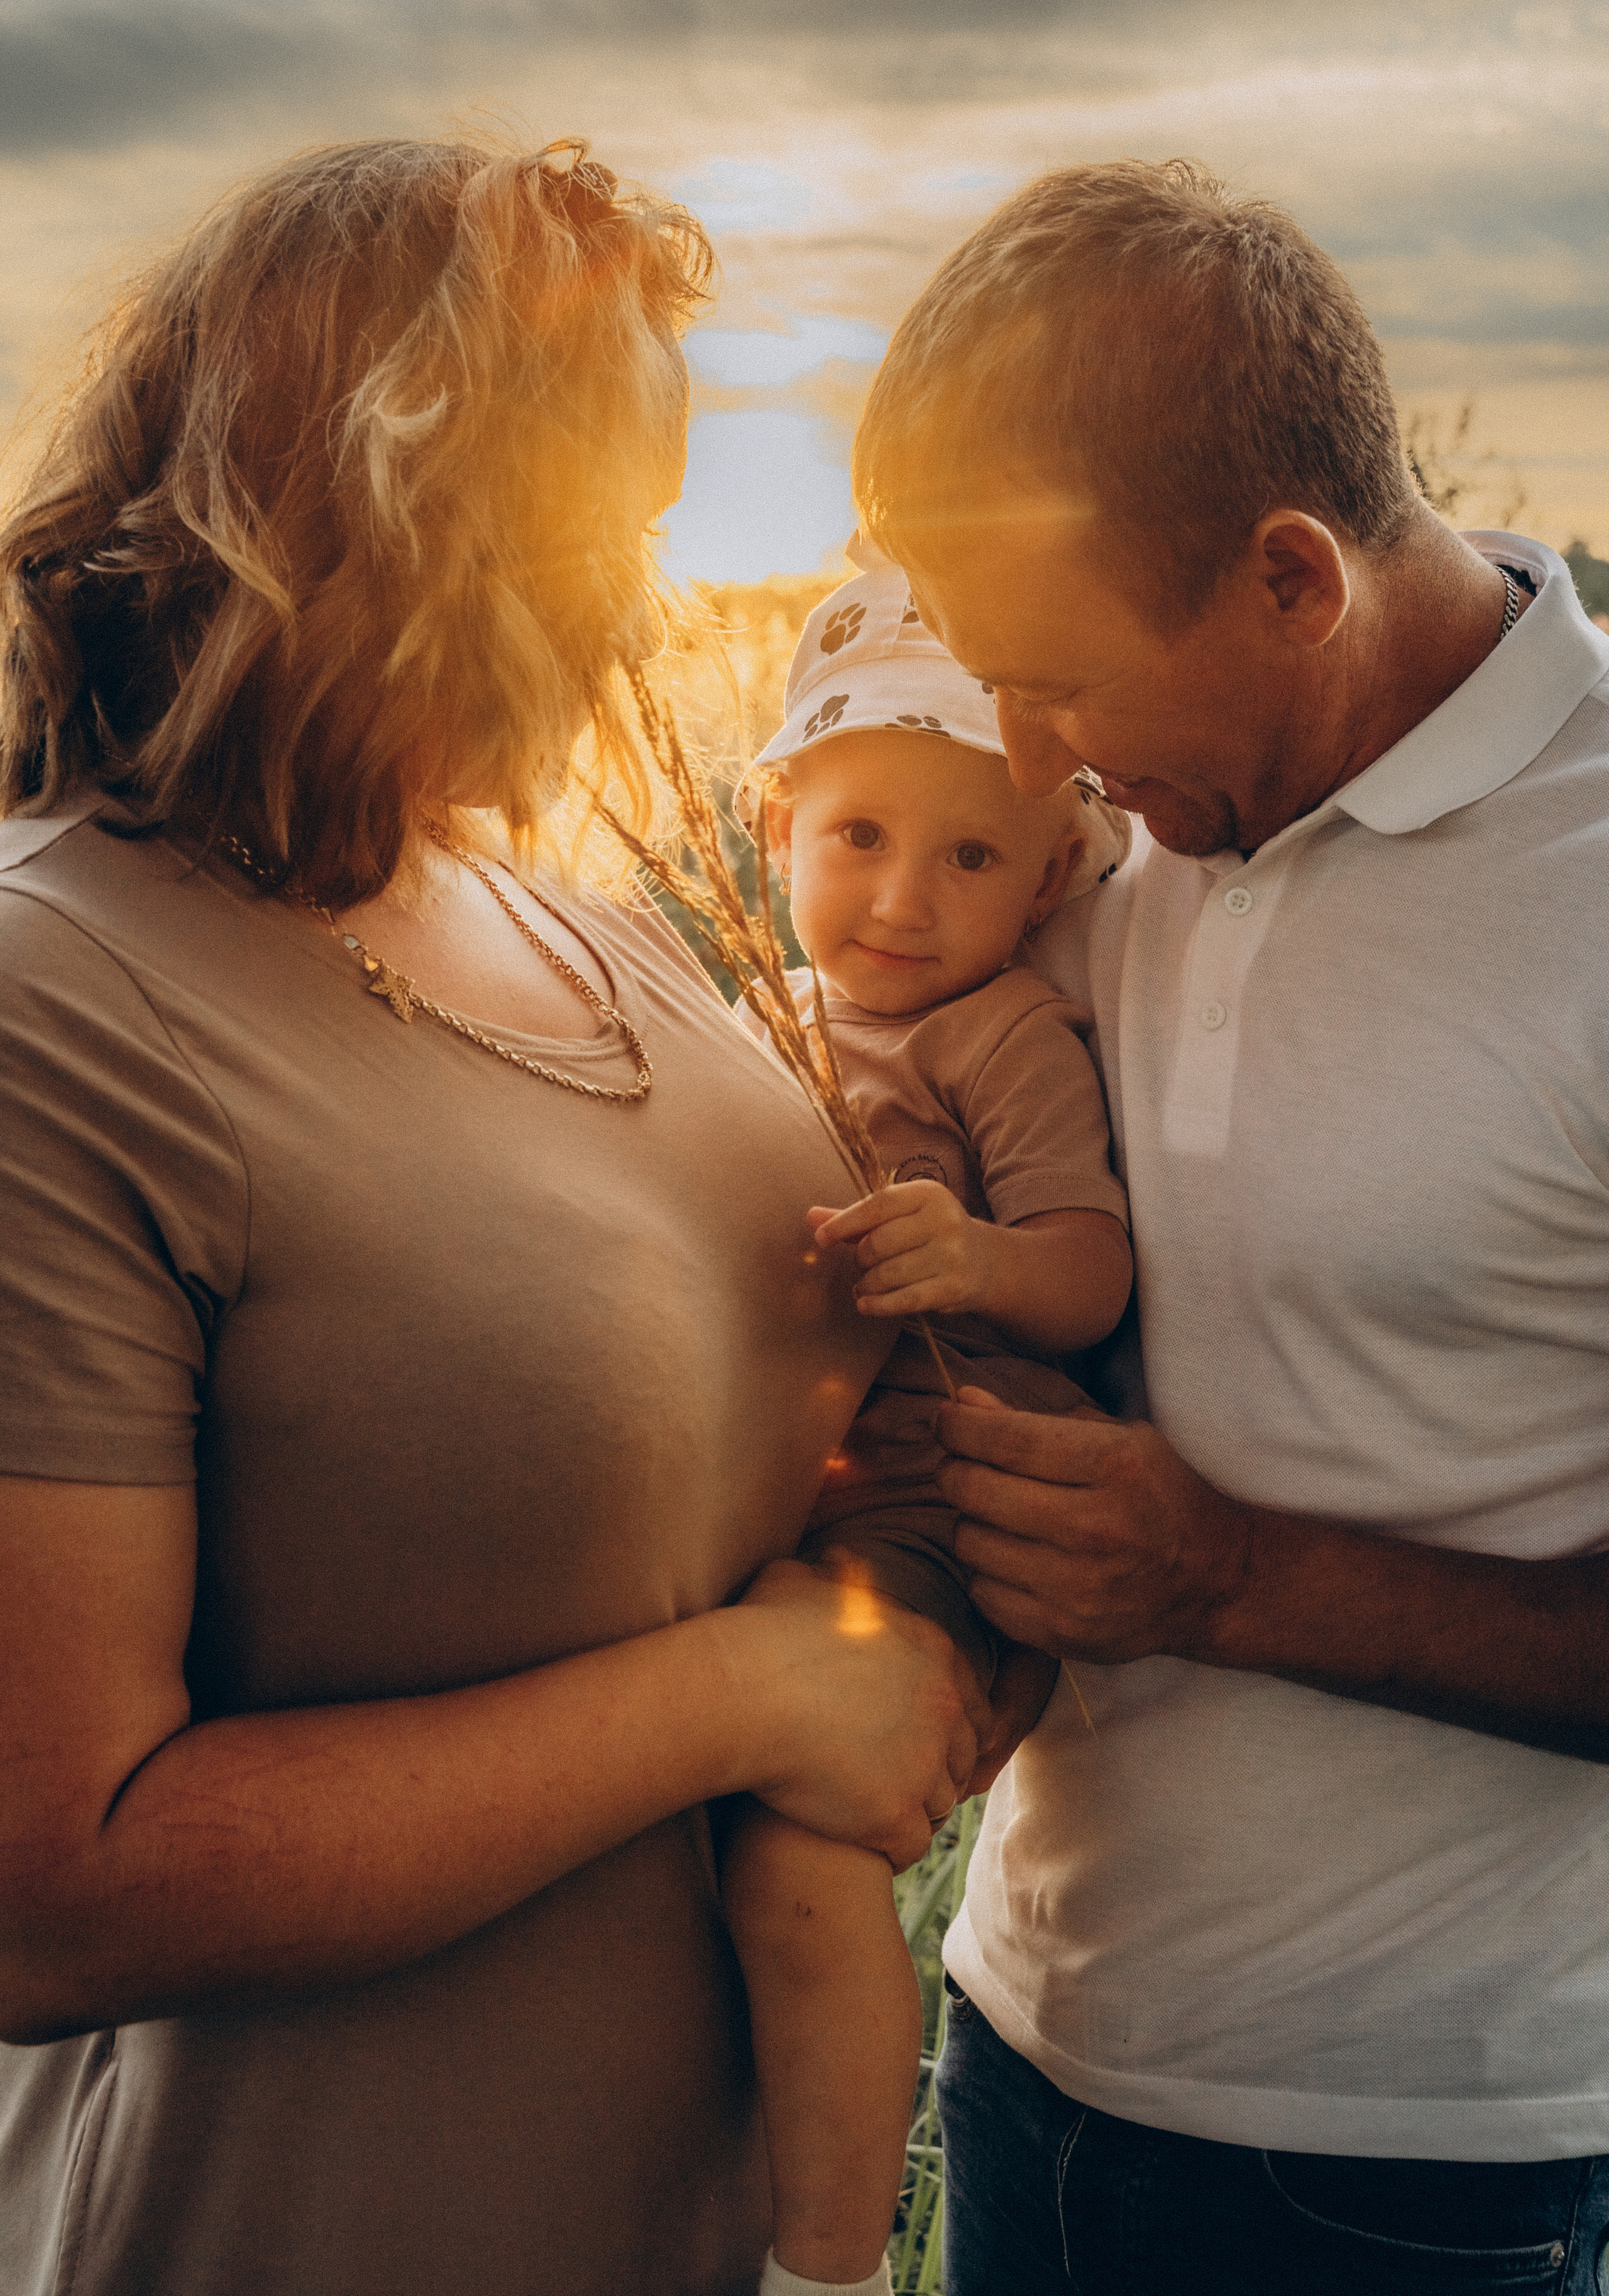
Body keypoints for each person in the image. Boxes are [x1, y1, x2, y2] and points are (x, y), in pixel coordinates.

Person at [0, 136, 990, 2296]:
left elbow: (816, 1437)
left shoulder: (563, 913)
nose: (642, 604)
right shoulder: (56, 1001)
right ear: (390, 504)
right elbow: (48, 1891)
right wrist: (745, 1698)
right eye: (600, 526)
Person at [847, 158, 1609, 2294]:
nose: (1023, 763)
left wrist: (1234, 1578)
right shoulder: (1110, 848)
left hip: (1415, 2178)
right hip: (1020, 2052)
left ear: (1293, 576)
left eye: (1060, 684)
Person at [717, 559, 1133, 2296]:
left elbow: (1090, 1274)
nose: (900, 898)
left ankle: (825, 2261)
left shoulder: (997, 1034)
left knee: (796, 1857)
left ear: (1050, 876)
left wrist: (975, 1257)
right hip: (798, 1488)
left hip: (943, 1495)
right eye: (860, 835)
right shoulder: (762, 1015)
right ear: (780, 826)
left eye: (971, 856)